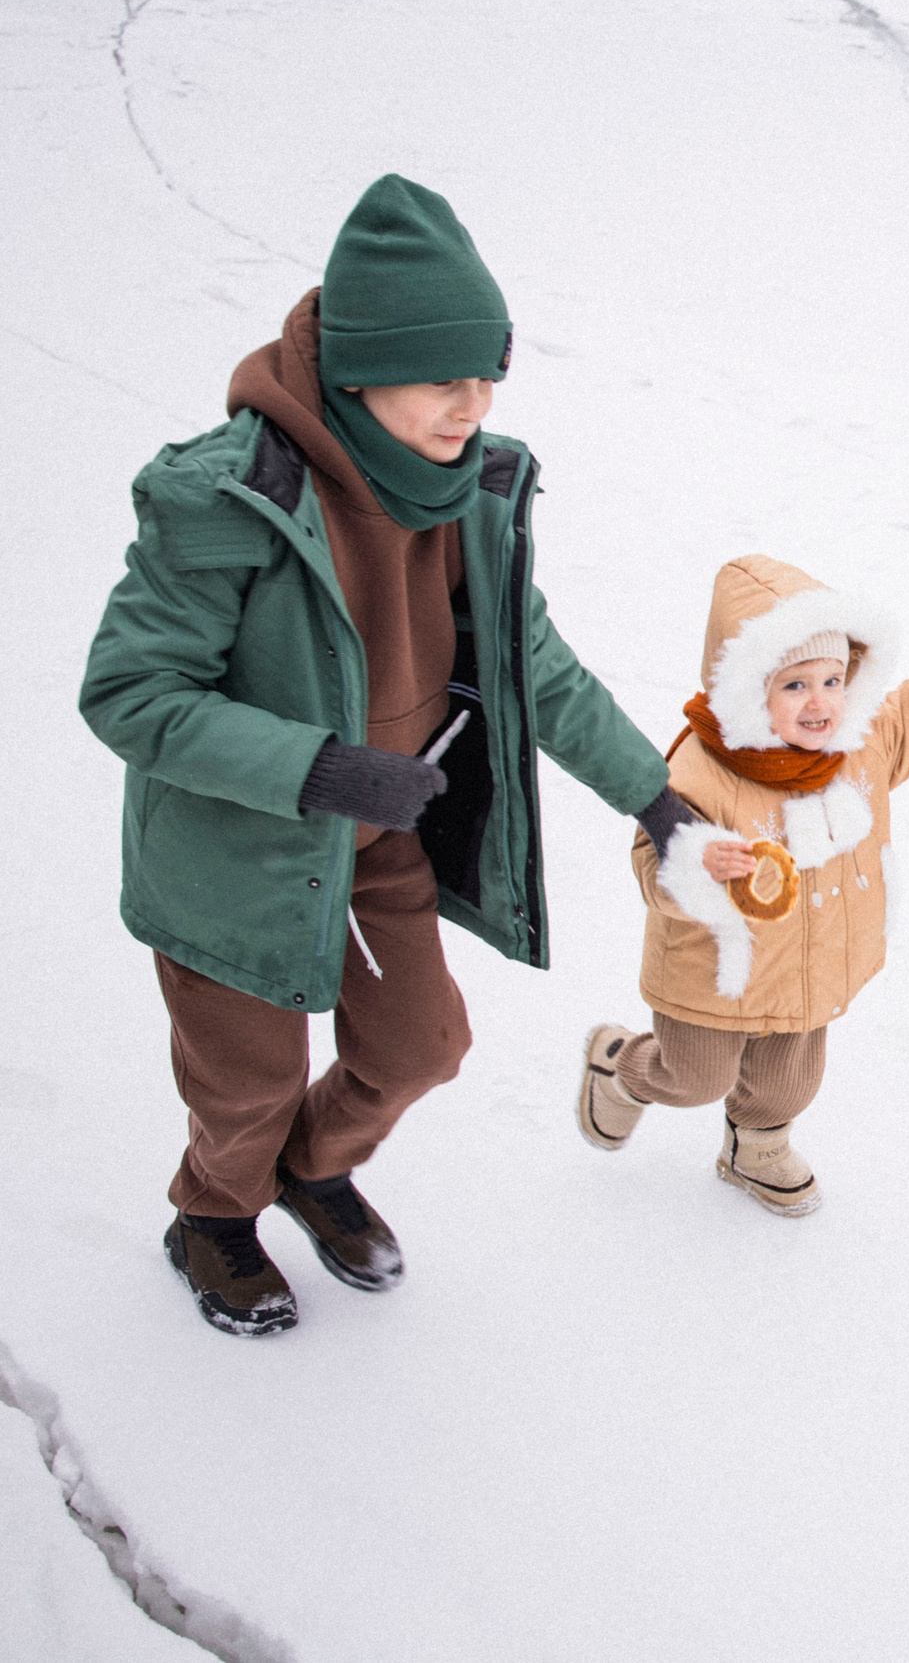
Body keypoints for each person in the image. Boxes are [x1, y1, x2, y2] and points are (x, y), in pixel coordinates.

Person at [81, 175, 694, 1336]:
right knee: (246, 1083)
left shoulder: (472, 492)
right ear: (359, 371)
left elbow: (535, 669)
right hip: (238, 855)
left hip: (379, 839)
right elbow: (130, 693)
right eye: (441, 376)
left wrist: (653, 793)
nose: (472, 402)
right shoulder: (226, 496)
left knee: (422, 1048)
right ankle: (212, 1217)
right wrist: (320, 769)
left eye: (488, 373)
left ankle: (310, 1171)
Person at [575, 555, 909, 1214]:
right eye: (795, 685)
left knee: (791, 1081)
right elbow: (649, 860)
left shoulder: (857, 744)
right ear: (750, 690)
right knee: (693, 1076)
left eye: (834, 679)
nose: (821, 702)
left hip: (812, 966)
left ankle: (757, 1145)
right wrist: (694, 863)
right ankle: (619, 1065)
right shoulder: (703, 768)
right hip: (713, 975)